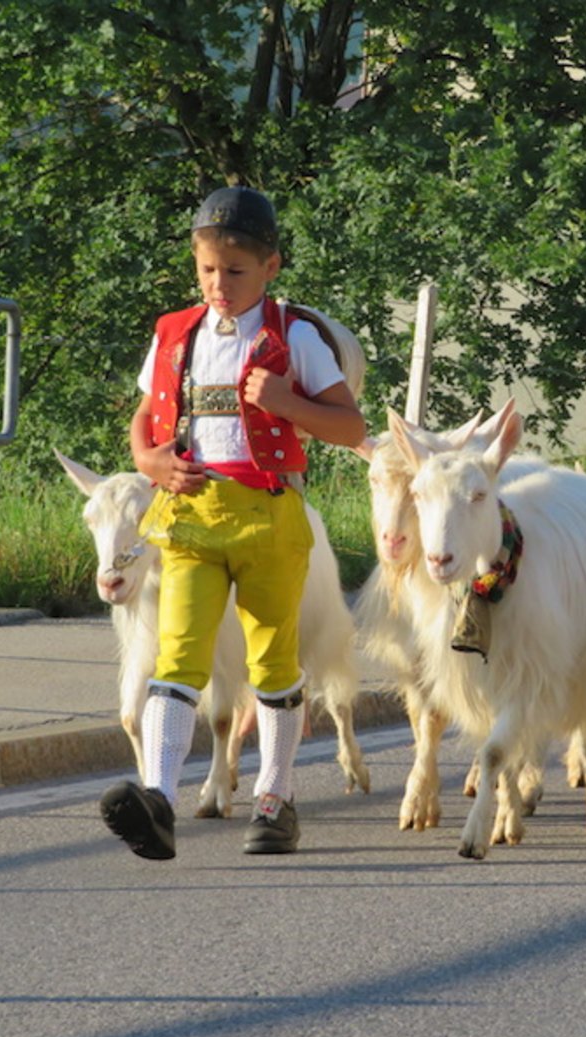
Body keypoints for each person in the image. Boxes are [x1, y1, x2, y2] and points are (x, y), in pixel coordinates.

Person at [100, 185, 366, 859]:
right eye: (207, 270)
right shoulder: (174, 333)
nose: (219, 284)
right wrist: (148, 458)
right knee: (176, 656)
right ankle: (158, 800)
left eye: (235, 271)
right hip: (189, 517)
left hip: (269, 517)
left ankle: (274, 800)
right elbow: (144, 414)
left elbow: (348, 424)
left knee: (273, 661)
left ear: (271, 267)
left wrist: (285, 401)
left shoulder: (293, 336)